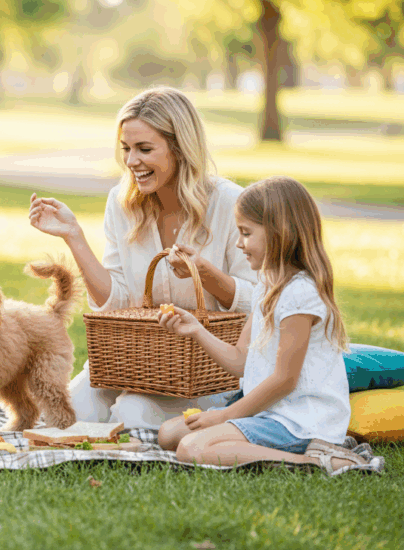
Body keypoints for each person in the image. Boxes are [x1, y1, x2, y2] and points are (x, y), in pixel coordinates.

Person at [28, 87, 257, 429]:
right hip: (134, 361)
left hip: (206, 372)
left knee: (132, 413)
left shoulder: (230, 204)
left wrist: (205, 274)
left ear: (180, 148)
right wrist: (74, 236)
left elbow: (260, 303)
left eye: (144, 149)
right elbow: (116, 302)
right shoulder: (121, 202)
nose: (131, 161)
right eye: (126, 149)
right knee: (63, 415)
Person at [156, 176, 364, 471]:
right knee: (169, 434)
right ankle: (255, 446)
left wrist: (224, 416)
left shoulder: (300, 293)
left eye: (246, 233)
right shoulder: (267, 285)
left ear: (280, 233)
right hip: (269, 413)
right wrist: (196, 330)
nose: (239, 243)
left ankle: (314, 461)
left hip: (300, 422)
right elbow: (240, 361)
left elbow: (284, 380)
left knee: (192, 448)